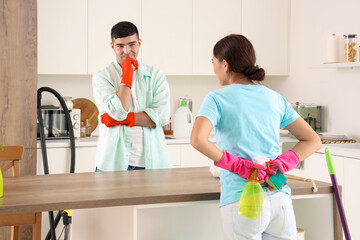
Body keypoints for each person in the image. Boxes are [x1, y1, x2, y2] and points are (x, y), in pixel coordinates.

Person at [191, 34, 322, 240]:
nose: (213, 68)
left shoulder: (217, 98)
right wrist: (282, 163)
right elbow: (313, 140)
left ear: (224, 64)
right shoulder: (274, 98)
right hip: (279, 197)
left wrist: (237, 165)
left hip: (243, 201)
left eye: (213, 62)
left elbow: (197, 139)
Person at [92, 21, 171, 171]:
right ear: (112, 46)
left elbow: (162, 116)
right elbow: (116, 111)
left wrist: (124, 119)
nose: (126, 51)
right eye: (120, 46)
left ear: (139, 43)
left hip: (150, 164)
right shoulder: (102, 77)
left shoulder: (156, 76)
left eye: (132, 44)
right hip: (112, 164)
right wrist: (126, 76)